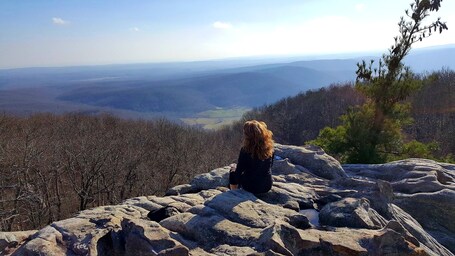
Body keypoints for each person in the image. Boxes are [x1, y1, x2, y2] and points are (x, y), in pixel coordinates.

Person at [229, 120, 274, 194]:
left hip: (250, 187)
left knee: (232, 171)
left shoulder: (245, 150)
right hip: (267, 186)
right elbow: (269, 166)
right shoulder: (269, 147)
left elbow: (238, 172)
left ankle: (234, 193)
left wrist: (234, 168)